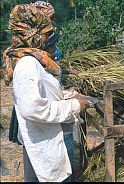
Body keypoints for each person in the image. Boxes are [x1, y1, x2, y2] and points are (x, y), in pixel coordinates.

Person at [1, 4, 91, 182]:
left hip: (50, 140)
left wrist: (69, 96)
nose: (50, 39)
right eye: (46, 33)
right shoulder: (27, 65)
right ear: (32, 34)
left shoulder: (36, 61)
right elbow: (33, 108)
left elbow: (45, 95)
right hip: (44, 145)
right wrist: (74, 106)